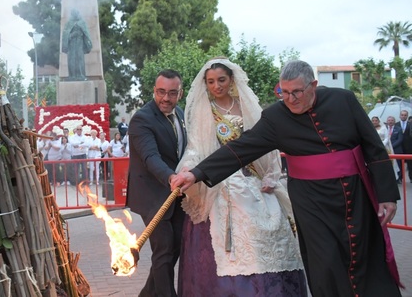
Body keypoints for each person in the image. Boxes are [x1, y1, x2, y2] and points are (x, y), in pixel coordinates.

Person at [172, 60, 402, 297]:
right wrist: (196, 173)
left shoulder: (344, 100)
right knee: (326, 264)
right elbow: (239, 149)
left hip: (355, 196)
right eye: (285, 93)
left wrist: (387, 196)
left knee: (365, 255)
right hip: (312, 204)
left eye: (297, 92)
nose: (290, 99)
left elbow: (373, 148)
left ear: (313, 85)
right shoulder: (276, 117)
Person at [177, 58, 306, 296]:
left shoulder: (247, 107)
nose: (217, 86)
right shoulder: (203, 111)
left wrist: (271, 175)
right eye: (211, 81)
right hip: (219, 180)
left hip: (253, 177)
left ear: (232, 80)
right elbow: (195, 148)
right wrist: (188, 170)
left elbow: (270, 144)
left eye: (222, 80)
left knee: (271, 237)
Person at [126, 69, 187, 297]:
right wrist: (171, 177)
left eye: (172, 93)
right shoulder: (142, 118)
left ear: (179, 93)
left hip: (178, 193)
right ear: (154, 90)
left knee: (176, 248)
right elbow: (151, 157)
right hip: (152, 195)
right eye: (161, 92)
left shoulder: (180, 113)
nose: (165, 98)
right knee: (163, 251)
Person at [61, 9, 92, 81]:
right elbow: (65, 36)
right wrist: (71, 35)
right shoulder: (68, 23)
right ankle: (72, 76)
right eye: (74, 13)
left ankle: (81, 75)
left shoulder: (82, 22)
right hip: (71, 44)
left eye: (76, 13)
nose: (75, 14)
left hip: (80, 43)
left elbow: (86, 33)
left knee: (80, 58)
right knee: (71, 59)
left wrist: (87, 41)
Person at [396, 110, 412, 183]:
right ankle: (400, 178)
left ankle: (411, 177)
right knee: (399, 163)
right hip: (399, 147)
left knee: (410, 164)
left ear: (407, 116)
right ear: (400, 116)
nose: (403, 116)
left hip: (409, 147)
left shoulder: (410, 124)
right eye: (402, 115)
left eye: (405, 115)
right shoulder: (396, 125)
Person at [389, 115, 404, 183]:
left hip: (396, 149)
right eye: (389, 120)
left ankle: (399, 178)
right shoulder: (385, 129)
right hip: (388, 150)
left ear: (394, 121)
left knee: (398, 164)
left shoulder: (399, 129)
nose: (390, 122)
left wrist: (392, 146)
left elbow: (400, 139)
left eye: (392, 120)